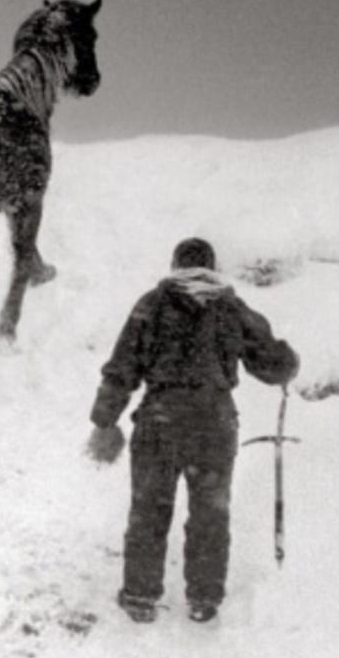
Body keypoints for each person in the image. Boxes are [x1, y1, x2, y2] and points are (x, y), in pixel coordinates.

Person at [87, 237, 300, 624]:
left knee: (149, 510)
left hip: (160, 422)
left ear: (174, 266)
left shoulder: (151, 305)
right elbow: (272, 364)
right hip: (213, 426)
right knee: (210, 514)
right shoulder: (232, 309)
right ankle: (204, 598)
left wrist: (105, 420)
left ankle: (140, 595)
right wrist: (289, 362)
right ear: (212, 268)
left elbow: (122, 368)